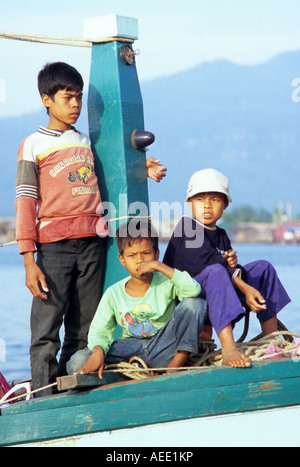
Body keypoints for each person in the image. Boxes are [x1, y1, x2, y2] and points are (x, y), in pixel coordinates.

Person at [15, 62, 166, 396]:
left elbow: (109, 171)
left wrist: (142, 166)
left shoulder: (86, 142)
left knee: (84, 327)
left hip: (92, 242)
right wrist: (28, 258)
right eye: (67, 97)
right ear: (46, 100)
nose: (75, 105)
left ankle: (73, 390)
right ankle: (42, 396)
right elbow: (25, 200)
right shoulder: (33, 144)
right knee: (47, 325)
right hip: (53, 246)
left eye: (79, 97)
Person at [163, 168, 291, 368]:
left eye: (214, 200)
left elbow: (229, 267)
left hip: (214, 296)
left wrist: (236, 271)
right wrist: (244, 287)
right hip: (188, 306)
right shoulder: (187, 228)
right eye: (200, 199)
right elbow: (210, 265)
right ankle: (228, 348)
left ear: (225, 204)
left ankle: (271, 339)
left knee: (263, 268)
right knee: (216, 272)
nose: (207, 205)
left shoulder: (221, 235)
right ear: (189, 203)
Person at [67, 220, 207, 377]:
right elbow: (99, 330)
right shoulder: (114, 293)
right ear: (122, 259)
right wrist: (98, 350)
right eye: (132, 255)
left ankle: (176, 364)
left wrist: (160, 267)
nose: (140, 260)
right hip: (128, 350)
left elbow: (194, 290)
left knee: (195, 303)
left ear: (156, 254)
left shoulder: (167, 281)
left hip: (164, 346)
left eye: (146, 254)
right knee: (78, 361)